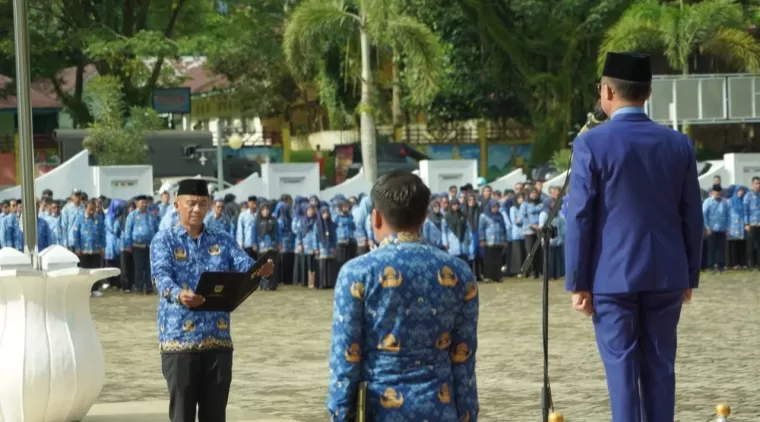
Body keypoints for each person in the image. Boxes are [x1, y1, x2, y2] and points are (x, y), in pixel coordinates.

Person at [564, 52, 703, 422]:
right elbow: (692, 213)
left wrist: (578, 282)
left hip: (611, 276)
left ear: (607, 91)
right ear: (649, 92)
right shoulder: (678, 144)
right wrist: (690, 273)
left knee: (621, 374)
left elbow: (579, 216)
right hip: (666, 274)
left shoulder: (591, 144)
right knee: (661, 368)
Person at [326, 171, 479, 422]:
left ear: (376, 217)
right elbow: (464, 358)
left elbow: (346, 357)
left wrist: (340, 412)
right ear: (424, 217)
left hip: (380, 409)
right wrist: (467, 413)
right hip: (440, 408)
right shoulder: (459, 273)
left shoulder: (357, 273)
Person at [150, 179, 274, 422]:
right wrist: (178, 294)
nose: (197, 209)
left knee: (215, 415)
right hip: (179, 342)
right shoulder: (164, 240)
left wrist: (261, 269)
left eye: (203, 204)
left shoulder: (222, 239)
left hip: (218, 340)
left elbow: (244, 265)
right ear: (177, 204)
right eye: (192, 203)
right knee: (182, 415)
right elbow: (160, 277)